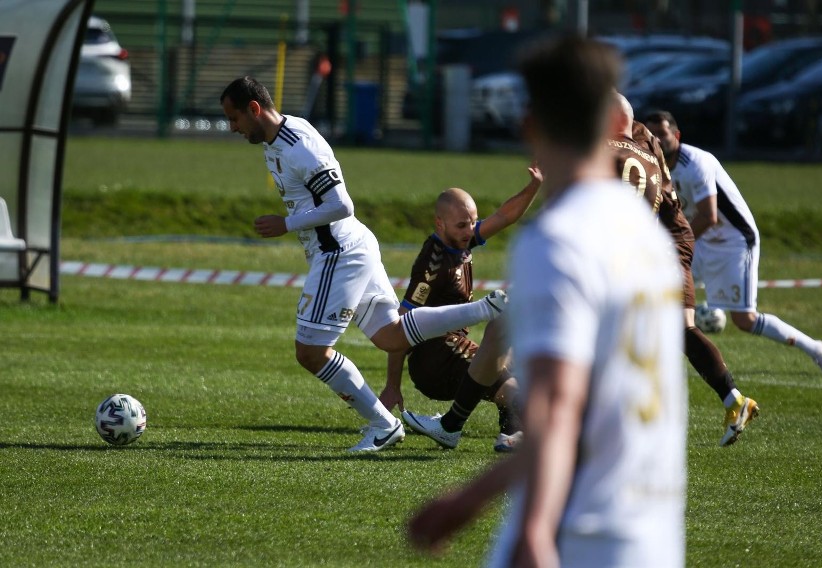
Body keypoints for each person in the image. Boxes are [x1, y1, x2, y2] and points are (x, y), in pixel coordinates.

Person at [408, 36, 687, 567]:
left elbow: (557, 410)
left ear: (531, 127)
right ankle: (453, 424)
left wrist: (522, 525)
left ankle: (453, 424)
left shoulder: (558, 240)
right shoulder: (646, 237)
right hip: (652, 533)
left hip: (578, 528)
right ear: (611, 128)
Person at [219, 76, 508, 452]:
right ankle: (484, 308)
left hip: (338, 252)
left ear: (254, 109)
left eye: (234, 118)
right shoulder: (280, 139)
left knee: (310, 352)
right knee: (391, 335)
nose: (232, 128)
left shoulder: (299, 145)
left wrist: (285, 224)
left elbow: (342, 205)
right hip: (353, 246)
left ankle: (382, 424)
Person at [609, 93, 759, 446]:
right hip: (669, 236)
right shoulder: (641, 138)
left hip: (661, 241)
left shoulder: (614, 145)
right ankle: (734, 400)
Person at [644, 110, 822, 377]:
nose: (656, 139)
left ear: (676, 135)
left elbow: (709, 216)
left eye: (662, 134)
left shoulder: (695, 163)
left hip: (732, 241)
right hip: (698, 239)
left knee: (745, 320)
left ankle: (816, 348)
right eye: (650, 134)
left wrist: (672, 244)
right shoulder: (653, 165)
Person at [380, 165, 543, 452]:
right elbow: (401, 326)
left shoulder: (459, 241)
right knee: (508, 380)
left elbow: (504, 216)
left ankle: (511, 431)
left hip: (453, 346)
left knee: (513, 354)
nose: (470, 231)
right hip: (434, 360)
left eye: (472, 223)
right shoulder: (433, 265)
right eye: (462, 226)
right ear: (440, 224)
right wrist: (393, 384)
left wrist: (533, 188)